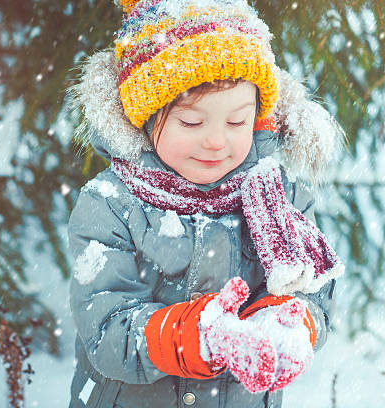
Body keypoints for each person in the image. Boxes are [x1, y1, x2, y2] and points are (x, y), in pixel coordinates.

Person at [66, 0, 346, 407]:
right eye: (192, 122)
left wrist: (289, 323)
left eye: (237, 122)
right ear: (146, 116)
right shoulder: (111, 204)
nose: (216, 140)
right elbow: (106, 329)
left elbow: (314, 296)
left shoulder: (282, 200)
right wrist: (193, 338)